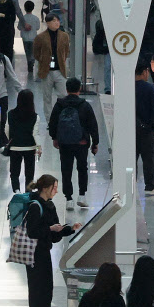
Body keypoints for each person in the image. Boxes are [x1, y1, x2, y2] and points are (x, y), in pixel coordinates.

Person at [24, 175, 80, 307]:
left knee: (45, 285)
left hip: (44, 251)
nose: (56, 191)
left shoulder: (50, 206)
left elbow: (55, 235)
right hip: (34, 254)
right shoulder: (35, 206)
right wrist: (50, 229)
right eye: (54, 188)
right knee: (37, 286)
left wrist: (69, 229)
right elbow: (33, 231)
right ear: (45, 188)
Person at [48, 77, 99, 211]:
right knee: (82, 168)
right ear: (79, 89)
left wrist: (54, 137)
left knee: (66, 169)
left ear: (66, 89)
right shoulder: (85, 105)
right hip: (81, 142)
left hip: (64, 143)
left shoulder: (59, 104)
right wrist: (95, 143)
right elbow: (93, 125)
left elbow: (52, 123)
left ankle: (68, 199)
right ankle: (82, 196)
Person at [33, 14, 69, 122]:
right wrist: (44, 60)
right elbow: (36, 53)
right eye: (54, 21)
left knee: (63, 95)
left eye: (58, 20)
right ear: (48, 23)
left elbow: (66, 51)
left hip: (60, 70)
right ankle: (49, 120)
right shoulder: (40, 37)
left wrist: (61, 60)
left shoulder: (64, 36)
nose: (57, 23)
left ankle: (63, 118)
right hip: (46, 71)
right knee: (47, 97)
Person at [135, 63, 154, 196]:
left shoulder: (125, 87)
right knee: (148, 158)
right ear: (144, 71)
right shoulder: (149, 88)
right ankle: (150, 186)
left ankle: (130, 185)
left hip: (130, 130)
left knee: (131, 158)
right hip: (147, 130)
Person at [5, 89, 41, 193]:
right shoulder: (35, 116)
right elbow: (36, 134)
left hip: (15, 147)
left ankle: (16, 191)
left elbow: (7, 129)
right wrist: (38, 147)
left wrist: (11, 140)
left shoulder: (10, 114)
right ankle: (28, 193)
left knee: (14, 172)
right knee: (29, 174)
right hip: (30, 148)